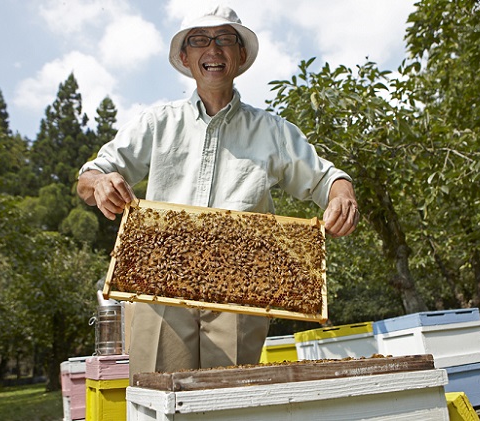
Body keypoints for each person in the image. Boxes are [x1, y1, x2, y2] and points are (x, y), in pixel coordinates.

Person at [77, 5, 359, 380]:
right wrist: (100, 184)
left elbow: (328, 179)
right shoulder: (156, 122)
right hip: (157, 289)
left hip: (240, 292)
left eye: (225, 39)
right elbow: (90, 175)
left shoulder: (273, 131)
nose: (213, 49)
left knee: (227, 402)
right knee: (160, 399)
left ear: (241, 55)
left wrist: (343, 196)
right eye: (200, 40)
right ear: (184, 56)